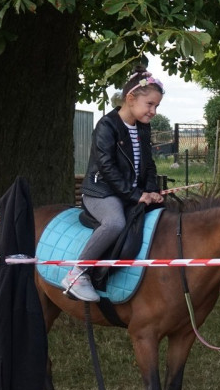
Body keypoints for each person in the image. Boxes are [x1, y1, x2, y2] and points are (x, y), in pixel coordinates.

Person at [66, 68, 165, 302]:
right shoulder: (106, 126)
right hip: (102, 193)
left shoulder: (143, 127)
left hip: (130, 193)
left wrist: (151, 190)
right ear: (131, 98)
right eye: (150, 104)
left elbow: (148, 163)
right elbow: (107, 168)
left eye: (156, 106)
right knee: (115, 223)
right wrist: (134, 195)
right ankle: (77, 274)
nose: (153, 111)